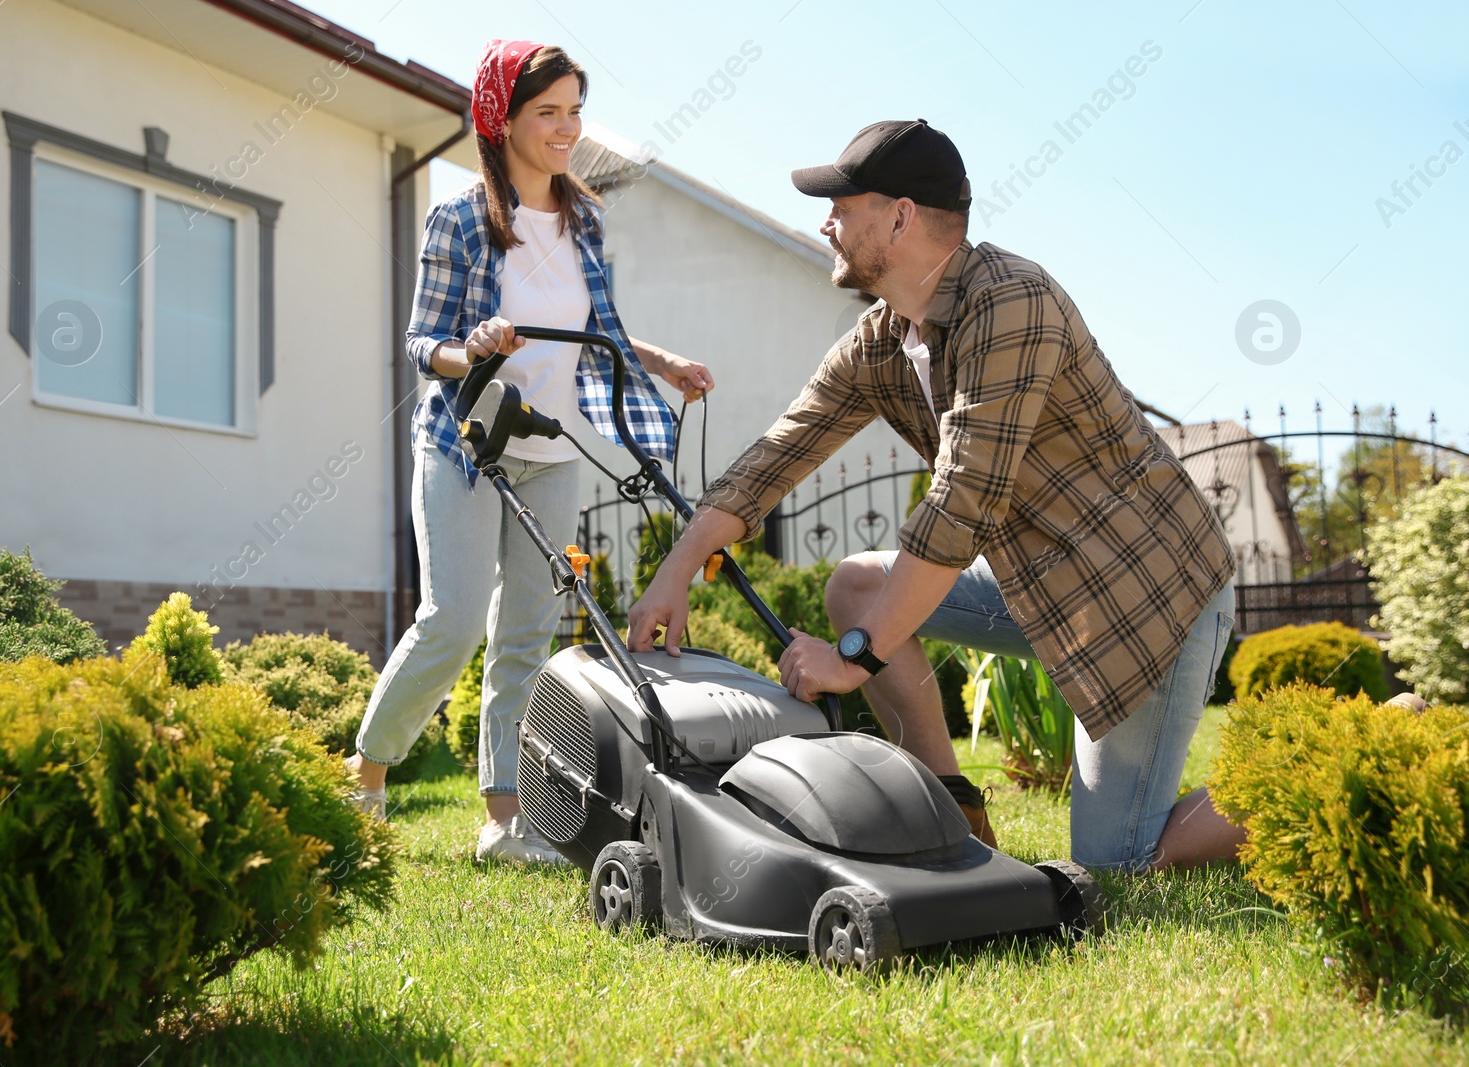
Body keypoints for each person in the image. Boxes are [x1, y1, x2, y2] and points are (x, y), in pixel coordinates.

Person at [628, 119, 1242, 873]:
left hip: (1147, 598)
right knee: (857, 584)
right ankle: (953, 807)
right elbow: (776, 454)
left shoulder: (1013, 302)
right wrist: (676, 569)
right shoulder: (881, 341)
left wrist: (855, 658)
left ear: (901, 216)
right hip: (1040, 589)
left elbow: (962, 501)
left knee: (1119, 865)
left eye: (843, 206)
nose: (827, 223)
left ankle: (1324, 765)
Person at [348, 40, 713, 865]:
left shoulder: (585, 219)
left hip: (550, 447)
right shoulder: (460, 220)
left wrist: (659, 363)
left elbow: (596, 332)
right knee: (451, 619)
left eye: (574, 110)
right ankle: (367, 772)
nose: (565, 127)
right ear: (501, 119)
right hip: (466, 440)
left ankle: (504, 818)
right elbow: (420, 343)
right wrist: (469, 347)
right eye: (547, 112)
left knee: (528, 631)